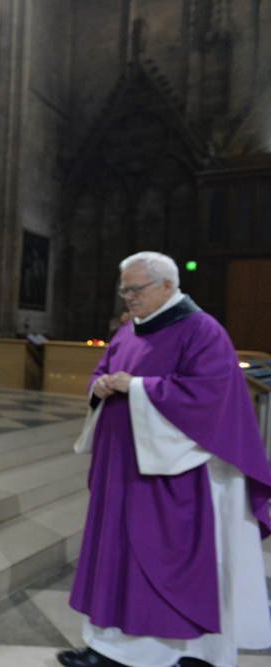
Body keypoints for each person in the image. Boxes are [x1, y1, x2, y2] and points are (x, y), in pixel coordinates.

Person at [58, 251, 271, 667]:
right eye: (124, 290)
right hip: (121, 469)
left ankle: (181, 652)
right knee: (115, 556)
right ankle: (108, 646)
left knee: (163, 562)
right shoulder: (128, 331)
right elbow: (103, 370)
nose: (128, 298)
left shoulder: (203, 331)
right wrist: (99, 386)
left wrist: (137, 387)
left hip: (174, 476)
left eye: (136, 289)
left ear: (169, 287)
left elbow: (209, 396)